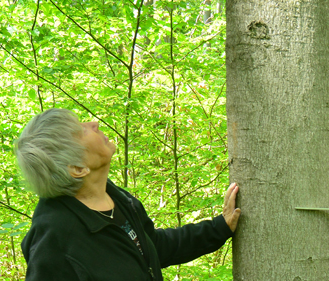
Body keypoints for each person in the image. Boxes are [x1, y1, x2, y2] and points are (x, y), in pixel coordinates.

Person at [15, 109, 242, 281]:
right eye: (80, 131)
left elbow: (152, 248)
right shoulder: (55, 237)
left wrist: (219, 228)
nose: (93, 124)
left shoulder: (116, 198)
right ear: (77, 168)